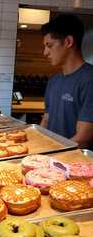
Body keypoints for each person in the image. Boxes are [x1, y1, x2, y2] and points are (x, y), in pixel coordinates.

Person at [40, 13, 93, 148]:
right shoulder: (54, 81)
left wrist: (51, 154)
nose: (45, 53)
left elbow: (83, 138)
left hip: (76, 162)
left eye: (49, 45)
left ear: (68, 41)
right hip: (51, 159)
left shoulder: (89, 80)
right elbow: (46, 120)